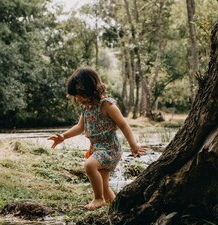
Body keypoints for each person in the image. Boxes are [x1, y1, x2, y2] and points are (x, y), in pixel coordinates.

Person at [48, 68, 146, 210]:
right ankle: (117, 209)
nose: (78, 99)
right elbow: (80, 127)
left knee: (89, 165)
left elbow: (123, 125)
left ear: (91, 88)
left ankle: (98, 199)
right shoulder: (86, 108)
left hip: (110, 148)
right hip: (97, 149)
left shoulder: (106, 105)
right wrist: (63, 136)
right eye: (75, 96)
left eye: (80, 94)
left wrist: (133, 145)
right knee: (104, 187)